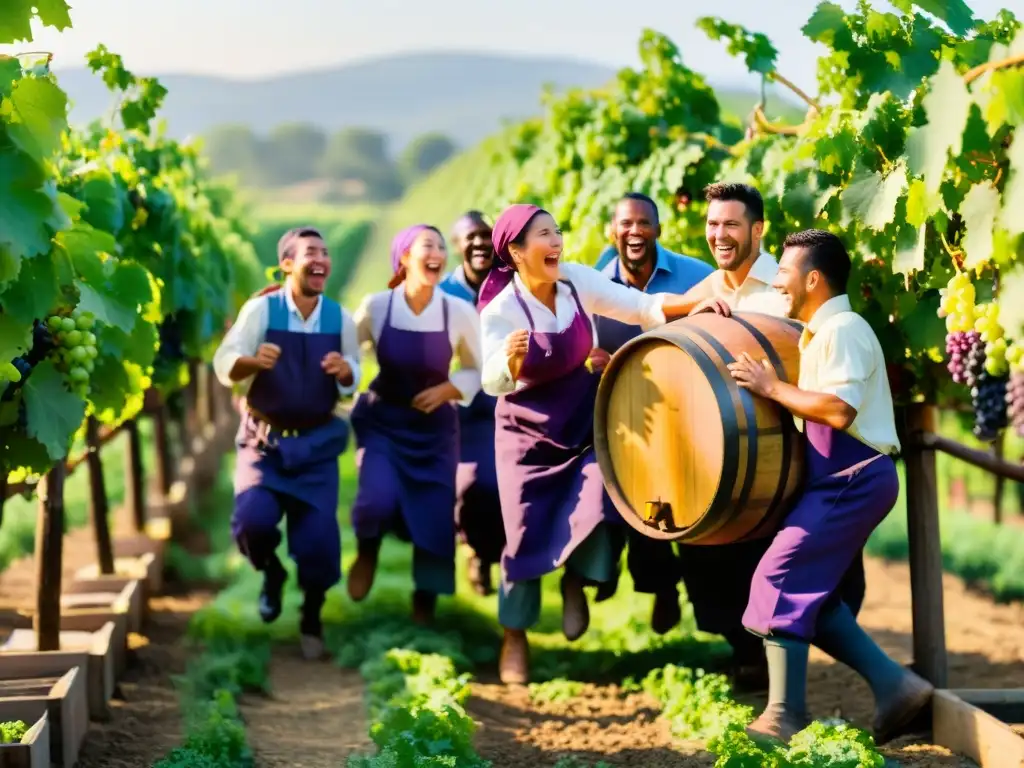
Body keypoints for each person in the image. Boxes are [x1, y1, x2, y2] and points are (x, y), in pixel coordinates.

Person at [478, 203, 711, 684]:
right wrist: (511, 362)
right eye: (544, 235)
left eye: (557, 231)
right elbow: (491, 381)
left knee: (602, 500)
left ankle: (575, 581)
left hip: (581, 425)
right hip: (526, 437)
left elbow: (641, 307)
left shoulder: (577, 282)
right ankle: (514, 638)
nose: (557, 241)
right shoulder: (502, 310)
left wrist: (696, 305)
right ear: (517, 252)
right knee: (522, 536)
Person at [726, 229, 933, 744]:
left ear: (812, 278)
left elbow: (838, 410)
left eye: (783, 273)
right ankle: (897, 689)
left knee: (779, 574)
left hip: (852, 473)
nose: (775, 282)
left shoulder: (842, 328)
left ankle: (784, 715)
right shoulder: (818, 331)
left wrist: (772, 387)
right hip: (843, 476)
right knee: (816, 598)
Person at [682, 183, 868, 691]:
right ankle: (749, 651)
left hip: (797, 447)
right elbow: (663, 318)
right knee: (719, 551)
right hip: (729, 450)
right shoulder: (708, 289)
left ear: (757, 230)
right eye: (713, 224)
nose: (720, 235)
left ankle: (803, 677)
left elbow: (826, 366)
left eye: (731, 225)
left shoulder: (785, 288)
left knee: (798, 563)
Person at [213, 227, 360, 661]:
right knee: (252, 523)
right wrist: (251, 362)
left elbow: (355, 376)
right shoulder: (261, 310)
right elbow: (225, 360)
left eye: (325, 253)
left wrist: (344, 372)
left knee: (318, 547)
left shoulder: (339, 318)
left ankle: (311, 617)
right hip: (264, 445)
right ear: (287, 265)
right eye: (310, 252)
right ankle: (272, 573)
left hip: (315, 449)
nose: (321, 259)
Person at [591, 192, 714, 635]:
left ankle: (711, 613)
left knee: (699, 518)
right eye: (626, 223)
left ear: (658, 230)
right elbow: (580, 344)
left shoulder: (695, 276)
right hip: (629, 423)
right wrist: (592, 359)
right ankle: (660, 588)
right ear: (613, 231)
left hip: (692, 416)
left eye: (644, 223)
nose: (635, 231)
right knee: (641, 514)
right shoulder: (594, 286)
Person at [347, 224, 483, 625]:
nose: (438, 252)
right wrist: (342, 371)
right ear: (404, 257)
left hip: (434, 431)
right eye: (428, 246)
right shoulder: (377, 307)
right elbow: (349, 356)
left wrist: (448, 390)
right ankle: (367, 549)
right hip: (384, 422)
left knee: (436, 516)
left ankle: (426, 603)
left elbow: (478, 369)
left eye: (442, 247)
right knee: (376, 496)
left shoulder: (457, 312)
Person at [439, 211, 505, 595]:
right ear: (456, 245)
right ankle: (476, 550)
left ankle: (494, 555)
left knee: (502, 486)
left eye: (486, 235)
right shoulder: (443, 294)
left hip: (507, 403)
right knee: (473, 486)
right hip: (461, 410)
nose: (479, 243)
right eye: (470, 237)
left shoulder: (513, 285)